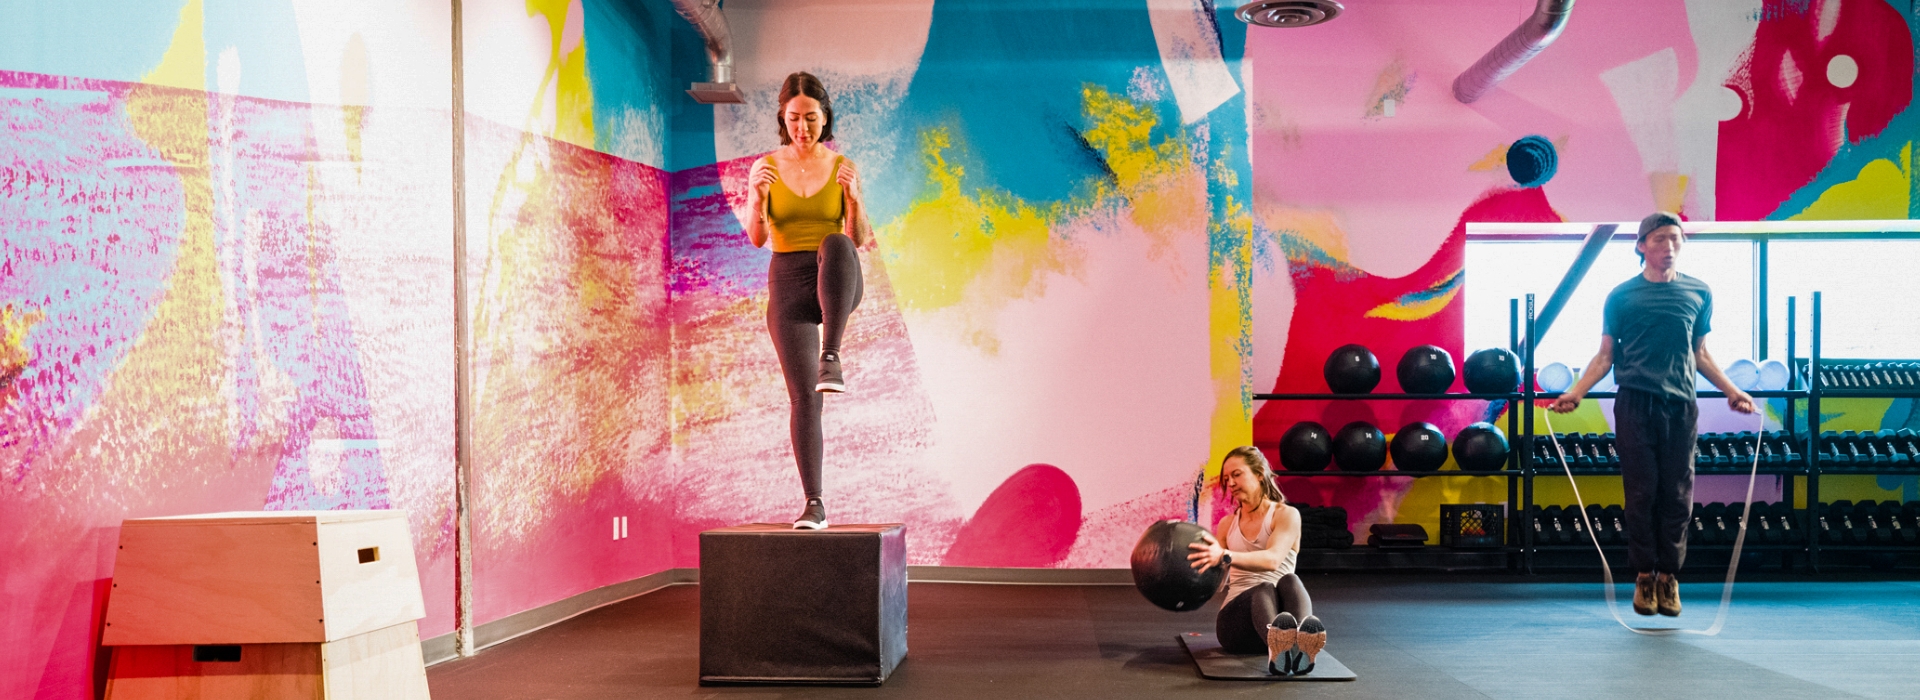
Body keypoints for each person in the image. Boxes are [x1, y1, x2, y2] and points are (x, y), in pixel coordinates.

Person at [1550, 212, 1756, 617]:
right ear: (1642, 245)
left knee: (1677, 495)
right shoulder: (1621, 296)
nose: (1669, 247)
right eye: (1660, 239)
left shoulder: (1699, 293)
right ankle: (1644, 576)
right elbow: (1605, 355)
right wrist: (1576, 391)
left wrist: (1733, 391)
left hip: (1681, 406)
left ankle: (1670, 578)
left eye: (1676, 239)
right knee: (1641, 493)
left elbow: (1700, 354)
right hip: (1635, 404)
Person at [742, 72, 875, 530]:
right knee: (804, 400)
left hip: (837, 276)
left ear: (825, 117)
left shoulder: (841, 166)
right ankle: (814, 504)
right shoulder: (766, 167)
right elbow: (758, 239)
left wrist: (854, 201)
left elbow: (860, 239)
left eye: (812, 118)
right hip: (789, 284)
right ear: (783, 117)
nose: (803, 127)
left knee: (836, 243)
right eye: (794, 118)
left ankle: (831, 355)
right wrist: (755, 197)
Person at [1188, 446, 1326, 675]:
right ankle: (1280, 649)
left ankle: (1298, 649)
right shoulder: (1226, 524)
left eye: (1236, 474)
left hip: (1280, 620)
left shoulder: (1286, 515)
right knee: (1262, 588)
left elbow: (1272, 560)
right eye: (1226, 478)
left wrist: (1224, 555)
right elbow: (1217, 581)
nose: (1230, 483)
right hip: (1237, 627)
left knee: (1290, 580)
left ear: (1259, 473)